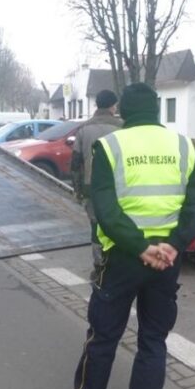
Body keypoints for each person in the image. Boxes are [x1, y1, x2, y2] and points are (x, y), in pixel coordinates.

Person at [56, 83, 195, 389]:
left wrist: (140, 247)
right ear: (156, 110)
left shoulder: (110, 146)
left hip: (122, 260)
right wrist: (172, 245)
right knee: (153, 340)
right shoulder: (183, 146)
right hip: (166, 263)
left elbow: (106, 210)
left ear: (123, 110)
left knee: (103, 338)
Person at [71, 89, 123, 280]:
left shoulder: (83, 129)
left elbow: (75, 163)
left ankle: (100, 266)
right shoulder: (122, 127)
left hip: (91, 187)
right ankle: (117, 264)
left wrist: (77, 190)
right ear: (112, 106)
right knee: (117, 225)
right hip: (118, 188)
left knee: (96, 229)